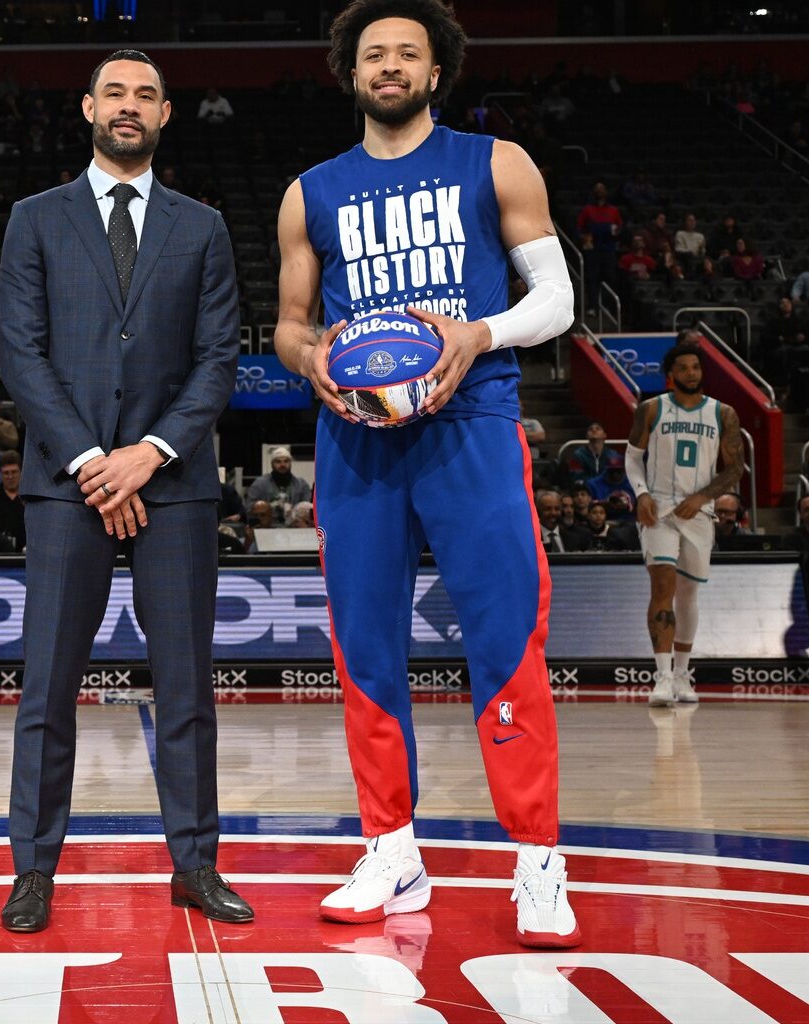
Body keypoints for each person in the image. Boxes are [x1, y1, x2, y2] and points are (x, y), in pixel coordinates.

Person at [273, 0, 579, 946]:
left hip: (473, 424)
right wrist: (307, 357)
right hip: (358, 439)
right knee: (365, 648)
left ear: (437, 71)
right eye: (374, 54)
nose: (391, 65)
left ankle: (537, 863)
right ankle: (393, 851)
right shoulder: (310, 191)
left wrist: (478, 332)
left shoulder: (496, 163)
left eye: (409, 52)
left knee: (503, 640)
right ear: (350, 71)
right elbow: (288, 324)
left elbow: (558, 300)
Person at [0, 47, 247, 933]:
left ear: (168, 113)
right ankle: (33, 871)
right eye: (116, 92)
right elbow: (19, 354)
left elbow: (219, 358)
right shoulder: (34, 219)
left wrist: (148, 452)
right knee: (46, 689)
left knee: (186, 688)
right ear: (87, 107)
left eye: (147, 94)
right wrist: (92, 463)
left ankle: (196, 864)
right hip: (69, 488)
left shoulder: (204, 226)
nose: (130, 105)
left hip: (173, 486)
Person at [625, 342, 742, 707]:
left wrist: (703, 497)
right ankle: (661, 678)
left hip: (698, 512)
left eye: (696, 366)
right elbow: (631, 458)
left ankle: (682, 674)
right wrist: (642, 493)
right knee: (663, 585)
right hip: (658, 508)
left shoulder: (723, 414)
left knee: (689, 594)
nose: (692, 372)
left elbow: (735, 469)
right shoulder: (652, 408)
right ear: (671, 375)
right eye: (685, 367)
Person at [244, 445, 313, 523]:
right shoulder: (259, 484)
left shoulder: (301, 485)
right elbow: (249, 509)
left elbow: (309, 511)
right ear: (272, 464)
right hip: (267, 528)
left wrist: (294, 511)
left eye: (286, 461)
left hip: (295, 528)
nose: (282, 465)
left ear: (290, 463)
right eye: (278, 462)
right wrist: (269, 507)